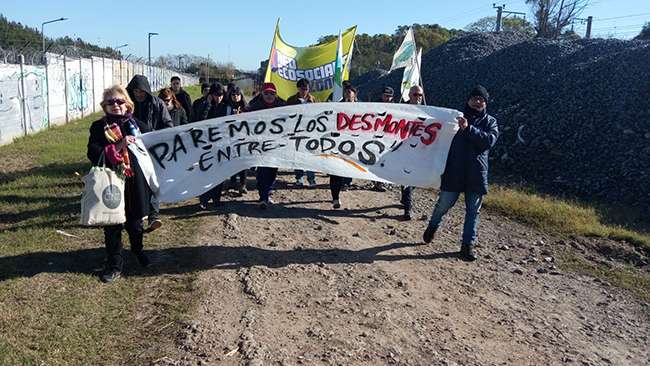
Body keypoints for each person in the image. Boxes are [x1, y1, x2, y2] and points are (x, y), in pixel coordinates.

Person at [422, 85, 499, 262]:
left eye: (482, 99)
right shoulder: (454, 119)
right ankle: (432, 226)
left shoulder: (491, 122)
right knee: (443, 205)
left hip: (476, 174)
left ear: (486, 103)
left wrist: (468, 129)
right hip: (454, 171)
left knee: (473, 211)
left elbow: (488, 141)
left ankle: (467, 246)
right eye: (475, 98)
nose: (478, 101)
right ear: (468, 100)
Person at [87, 85, 152, 283]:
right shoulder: (99, 127)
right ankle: (115, 263)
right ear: (104, 106)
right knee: (113, 223)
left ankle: (137, 250)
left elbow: (154, 149)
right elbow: (93, 152)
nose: (116, 105)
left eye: (120, 101)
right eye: (111, 102)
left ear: (128, 104)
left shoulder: (139, 125)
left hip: (136, 181)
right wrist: (119, 145)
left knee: (135, 222)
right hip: (112, 180)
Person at [126, 75, 172, 232]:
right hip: (131, 151)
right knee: (136, 182)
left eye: (141, 91)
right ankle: (137, 213)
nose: (138, 94)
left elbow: (168, 125)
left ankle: (154, 215)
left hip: (152, 150)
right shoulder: (127, 106)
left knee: (153, 181)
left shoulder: (157, 104)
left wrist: (156, 138)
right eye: (135, 91)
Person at [246, 82, 286, 208]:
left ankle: (267, 192)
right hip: (260, 146)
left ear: (276, 95)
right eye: (267, 93)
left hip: (276, 145)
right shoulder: (254, 107)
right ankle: (263, 197)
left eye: (272, 93)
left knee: (273, 171)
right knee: (263, 171)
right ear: (262, 94)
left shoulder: (283, 106)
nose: (269, 96)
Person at [194, 83, 228, 209]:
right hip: (207, 145)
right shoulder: (203, 104)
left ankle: (216, 198)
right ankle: (204, 198)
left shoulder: (226, 106)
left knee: (220, 173)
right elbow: (200, 119)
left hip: (222, 145)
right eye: (216, 95)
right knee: (206, 173)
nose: (218, 98)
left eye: (221, 95)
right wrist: (208, 104)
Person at [399, 85, 425, 220]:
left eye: (420, 95)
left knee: (414, 178)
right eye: (415, 95)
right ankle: (407, 209)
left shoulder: (428, 110)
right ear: (409, 95)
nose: (418, 97)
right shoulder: (402, 109)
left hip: (420, 150)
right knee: (407, 177)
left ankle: (404, 197)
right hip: (404, 149)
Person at [329, 85, 357, 209]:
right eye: (345, 93)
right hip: (338, 143)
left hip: (354, 145)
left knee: (348, 169)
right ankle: (335, 197)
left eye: (349, 93)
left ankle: (346, 183)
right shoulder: (337, 107)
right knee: (335, 171)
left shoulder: (363, 109)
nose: (347, 95)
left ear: (354, 95)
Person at [287, 78, 317, 186]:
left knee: (310, 155)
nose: (305, 91)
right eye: (303, 89)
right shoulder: (291, 100)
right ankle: (299, 177)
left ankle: (311, 177)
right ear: (298, 88)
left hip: (309, 131)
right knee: (297, 155)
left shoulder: (313, 100)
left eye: (307, 89)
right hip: (296, 131)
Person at [224, 86, 248, 195]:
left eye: (238, 95)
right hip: (229, 137)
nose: (235, 97)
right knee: (231, 159)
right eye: (233, 95)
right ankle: (232, 181)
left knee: (243, 162)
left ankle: (243, 183)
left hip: (243, 137)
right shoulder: (227, 106)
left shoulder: (246, 107)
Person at [372, 86, 396, 192]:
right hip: (375, 136)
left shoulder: (397, 107)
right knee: (375, 158)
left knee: (385, 160)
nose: (387, 98)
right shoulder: (375, 105)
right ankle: (374, 180)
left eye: (389, 96)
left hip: (388, 137)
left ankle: (380, 182)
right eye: (386, 96)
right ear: (382, 95)